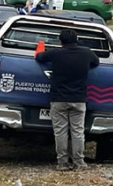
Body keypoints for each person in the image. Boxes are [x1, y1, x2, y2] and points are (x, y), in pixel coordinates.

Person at [35, 29, 100, 171]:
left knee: (60, 132)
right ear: (77, 40)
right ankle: (79, 162)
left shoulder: (55, 53)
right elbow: (96, 62)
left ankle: (62, 163)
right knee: (78, 132)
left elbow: (39, 57)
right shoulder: (86, 53)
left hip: (59, 99)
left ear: (61, 41)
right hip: (79, 99)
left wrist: (40, 47)